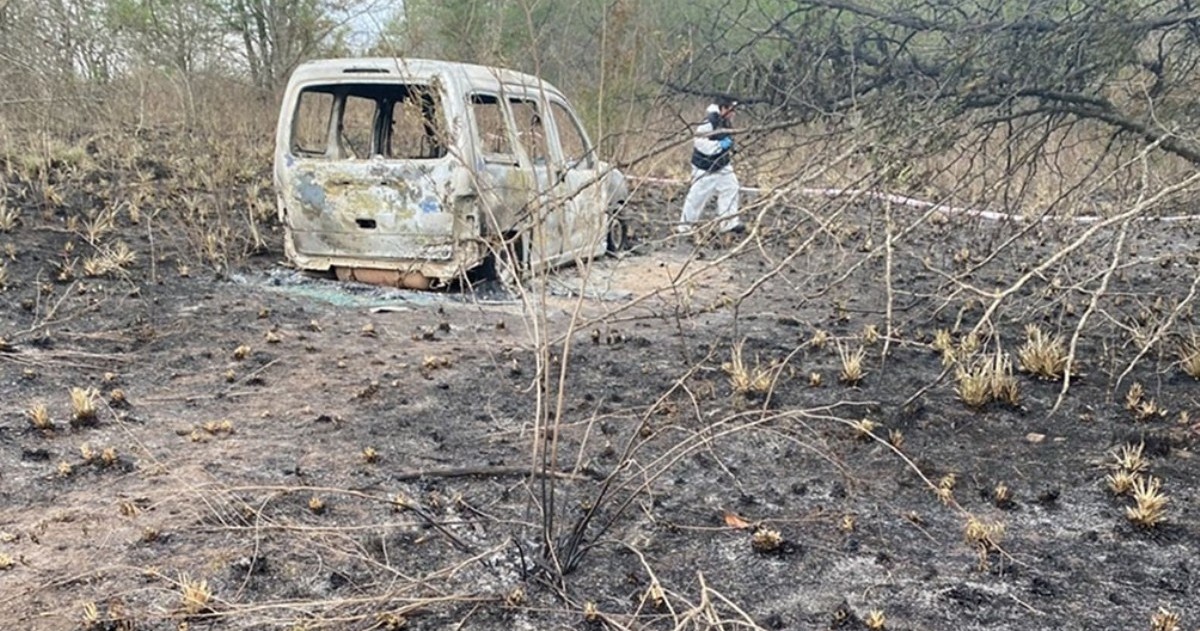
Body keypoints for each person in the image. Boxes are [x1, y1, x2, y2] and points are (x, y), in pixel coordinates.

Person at [677, 95, 744, 235]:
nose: (734, 114)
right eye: (731, 110)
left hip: (722, 165)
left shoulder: (725, 121)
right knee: (697, 197)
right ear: (723, 108)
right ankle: (684, 227)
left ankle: (728, 223)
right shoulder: (709, 121)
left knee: (731, 188)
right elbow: (700, 143)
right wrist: (720, 145)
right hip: (704, 167)